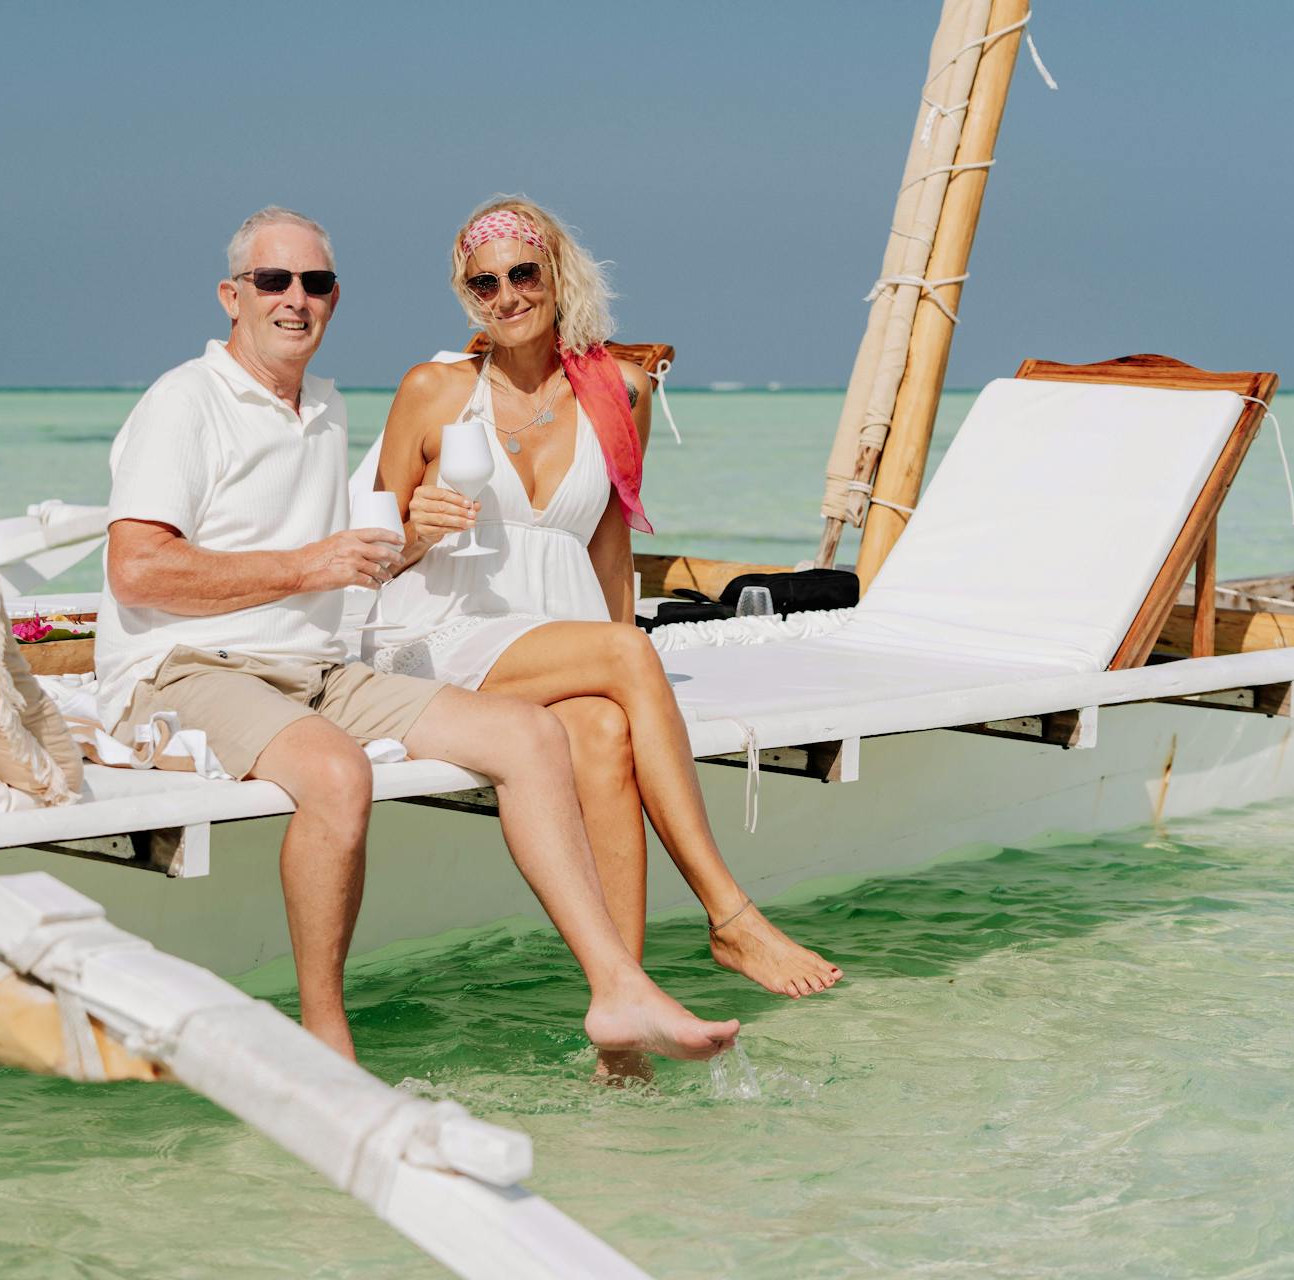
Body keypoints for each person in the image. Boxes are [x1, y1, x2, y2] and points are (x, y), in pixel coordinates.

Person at [95, 206, 738, 1064]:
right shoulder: (186, 401)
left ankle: (618, 992)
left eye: (315, 282)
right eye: (273, 280)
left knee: (532, 735)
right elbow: (137, 571)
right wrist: (308, 566)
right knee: (336, 770)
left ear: (335, 297)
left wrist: (411, 539)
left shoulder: (323, 410)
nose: (295, 299)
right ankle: (326, 1040)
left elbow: (370, 558)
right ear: (231, 296)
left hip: (316, 668)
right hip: (185, 666)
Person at [366, 197, 842, 999]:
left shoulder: (619, 391)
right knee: (626, 652)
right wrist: (417, 531)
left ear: (557, 274)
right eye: (485, 284)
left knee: (607, 729)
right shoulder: (433, 390)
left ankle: (625, 1007)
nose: (507, 296)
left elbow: (610, 547)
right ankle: (729, 914)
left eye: (524, 273)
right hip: (441, 631)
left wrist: (625, 678)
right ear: (467, 296)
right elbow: (372, 555)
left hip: (556, 639)